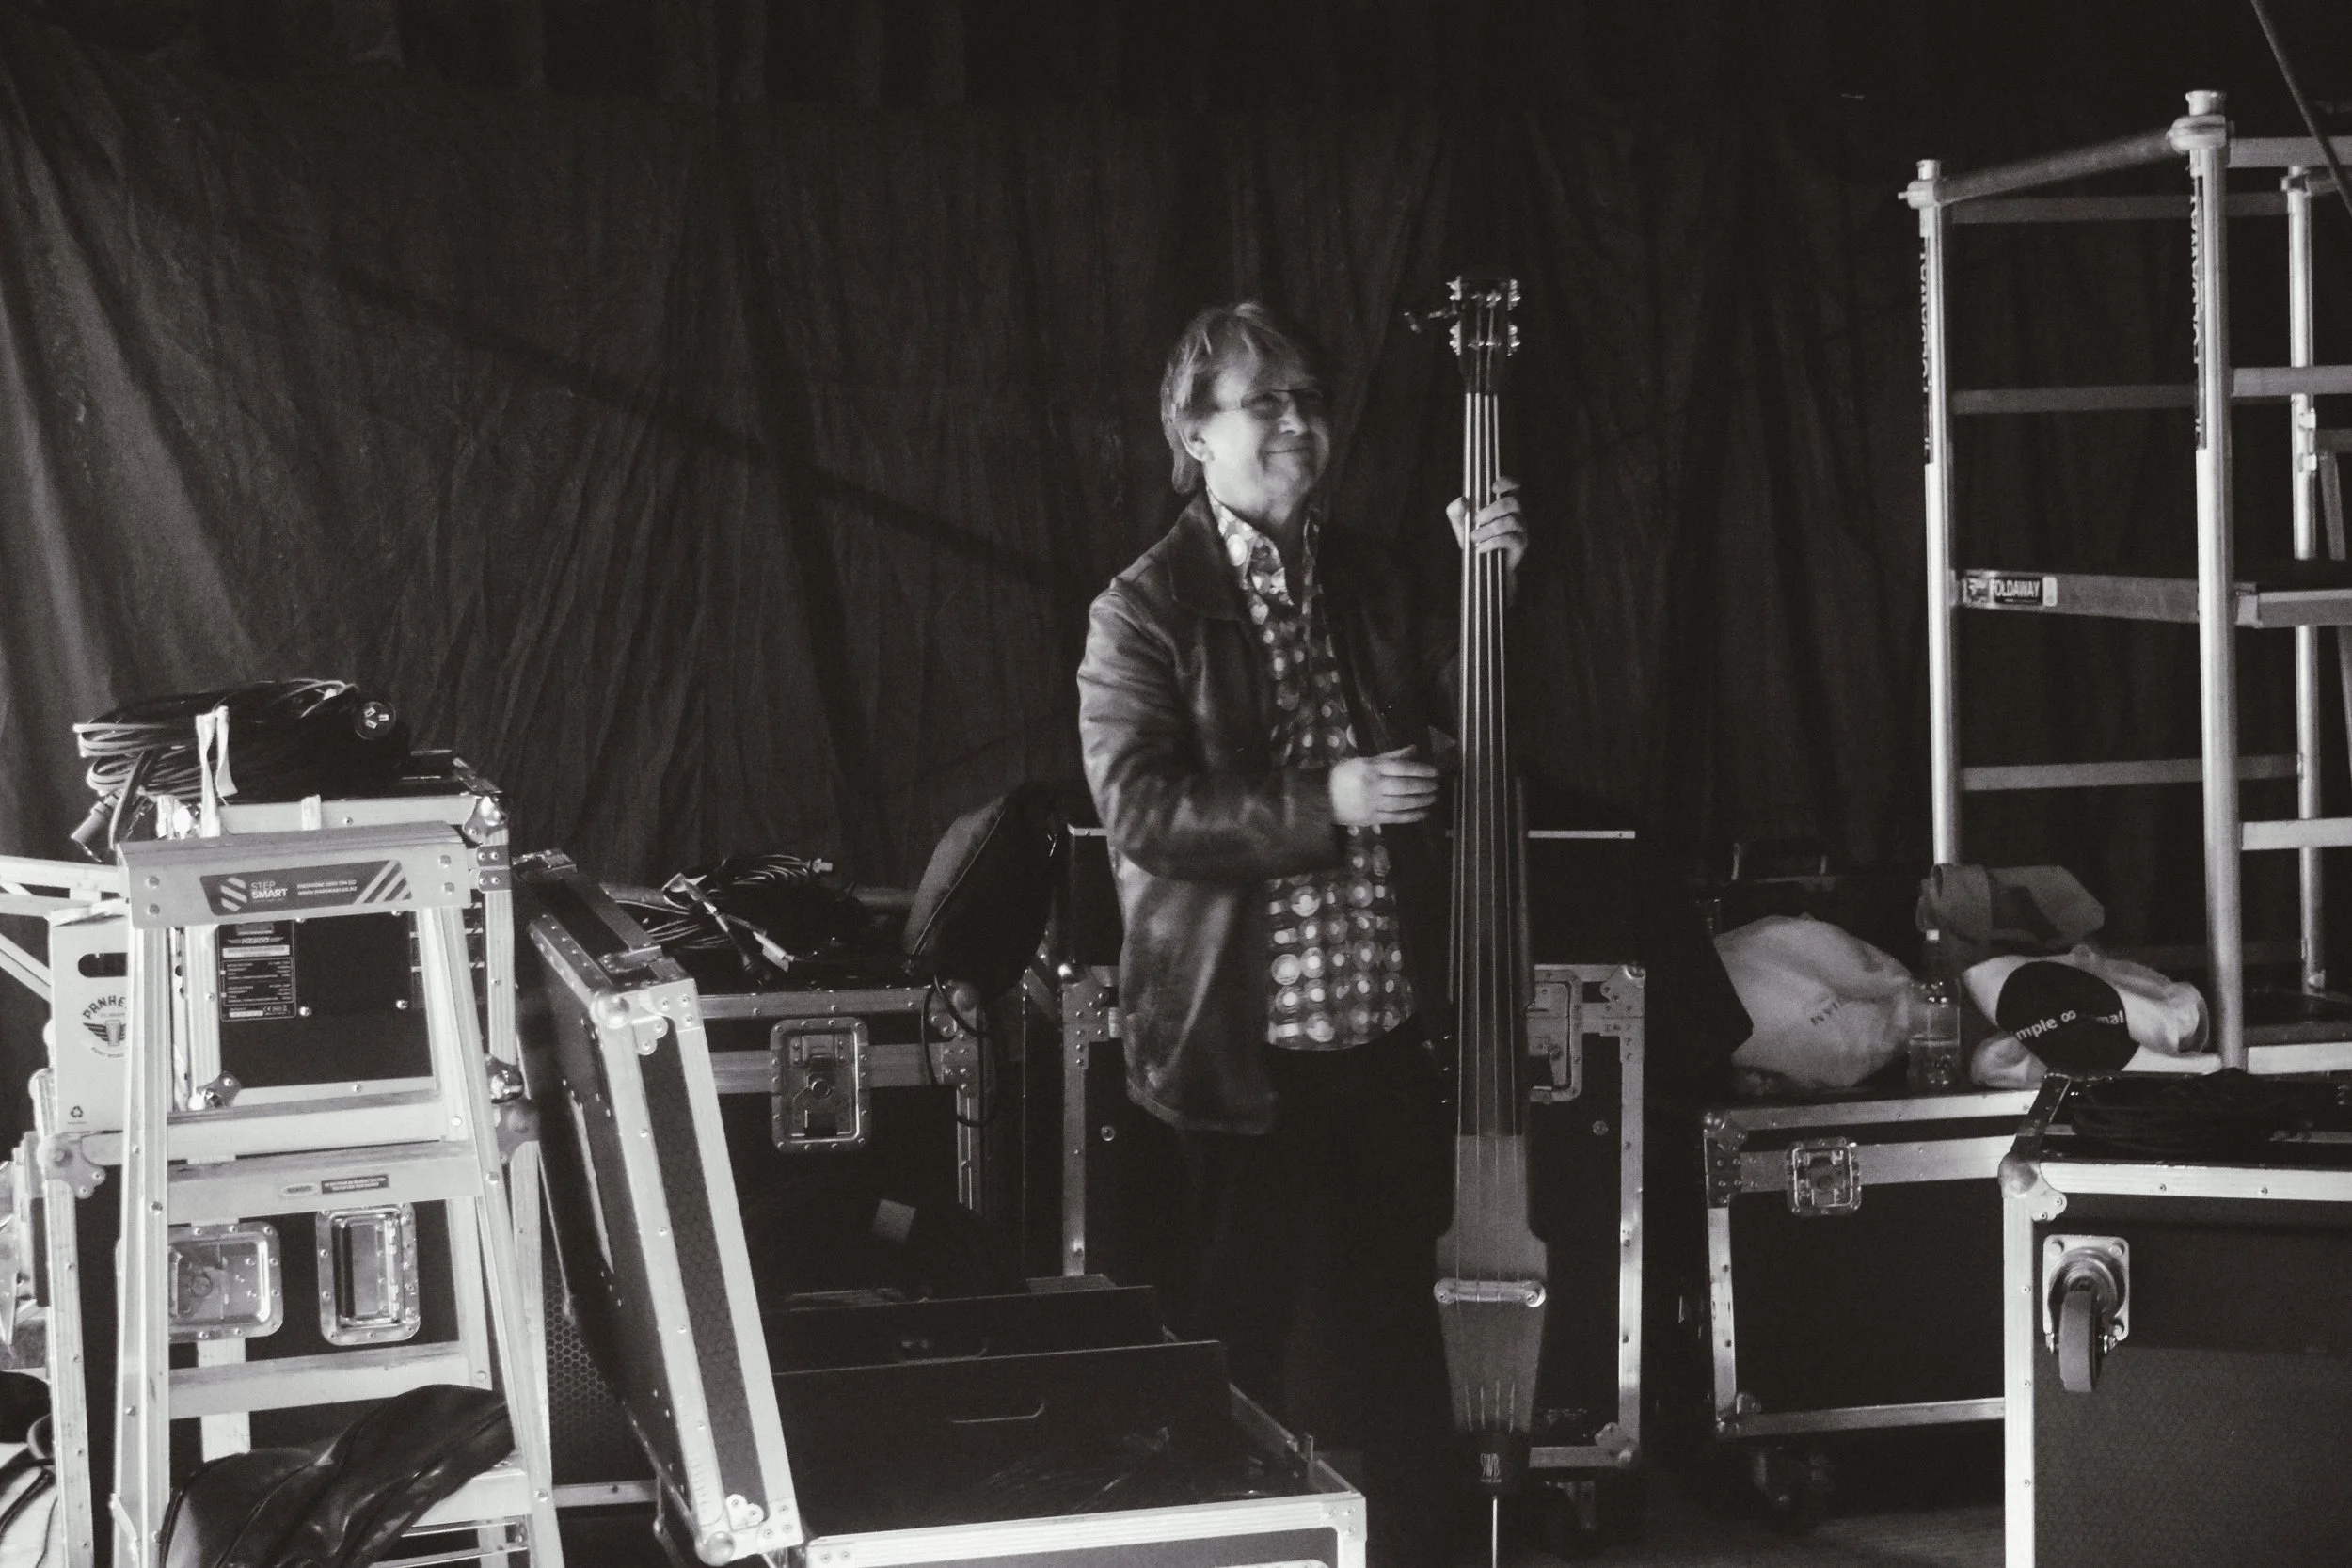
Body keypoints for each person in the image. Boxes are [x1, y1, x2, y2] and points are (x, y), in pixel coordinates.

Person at [1076, 300, 1525, 1567]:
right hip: (1238, 1054)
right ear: (1193, 431)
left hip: (1381, 1037)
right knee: (1249, 1358)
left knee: (1400, 1353)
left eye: (1310, 399)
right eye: (1260, 400)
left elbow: (1477, 724)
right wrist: (1321, 802)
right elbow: (1144, 812)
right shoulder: (1142, 609)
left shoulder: (1375, 574)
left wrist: (1487, 586)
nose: (1295, 420)